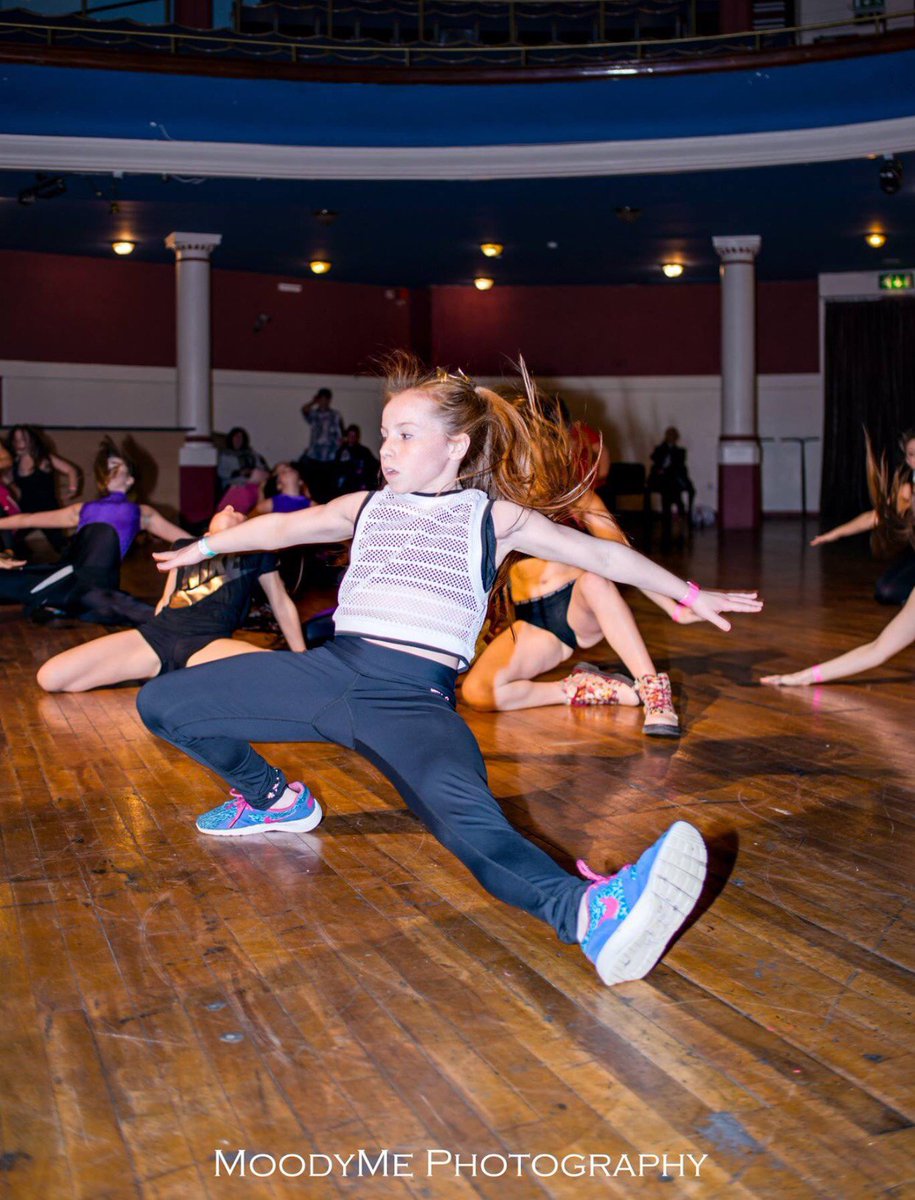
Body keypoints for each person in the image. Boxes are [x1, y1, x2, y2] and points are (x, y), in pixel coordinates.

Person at [138, 357, 762, 988]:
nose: (387, 449)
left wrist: (688, 595)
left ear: (457, 445)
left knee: (474, 828)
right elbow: (285, 525)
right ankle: (270, 798)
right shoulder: (366, 505)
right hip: (332, 671)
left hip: (414, 702)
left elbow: (601, 553)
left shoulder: (492, 519)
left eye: (406, 435)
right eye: (384, 435)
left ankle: (588, 914)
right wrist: (206, 546)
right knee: (163, 702)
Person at [462, 490, 683, 737]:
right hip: (532, 619)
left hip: (579, 602)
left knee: (594, 581)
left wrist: (673, 606)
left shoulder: (574, 496)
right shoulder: (491, 496)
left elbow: (624, 557)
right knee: (477, 691)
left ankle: (653, 689)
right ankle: (578, 689)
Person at [36, 506, 303, 692]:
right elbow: (165, 601)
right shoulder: (184, 546)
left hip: (208, 643)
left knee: (287, 676)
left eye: (237, 512)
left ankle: (185, 682)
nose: (230, 507)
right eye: (226, 508)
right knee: (50, 677)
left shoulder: (255, 553)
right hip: (159, 636)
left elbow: (281, 604)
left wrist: (302, 657)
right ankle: (165, 677)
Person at [762, 431, 915, 688]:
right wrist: (803, 677)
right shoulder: (907, 494)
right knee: (882, 638)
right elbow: (877, 651)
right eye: (912, 454)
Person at [0, 439, 187, 622]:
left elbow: (190, 542)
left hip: (98, 588)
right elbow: (28, 519)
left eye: (115, 464)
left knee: (156, 617)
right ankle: (54, 604)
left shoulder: (143, 513)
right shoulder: (82, 509)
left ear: (130, 479)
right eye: (106, 466)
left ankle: (56, 606)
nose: (109, 469)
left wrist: (214, 541)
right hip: (66, 579)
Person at [810, 428, 915, 606]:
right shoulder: (907, 491)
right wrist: (835, 533)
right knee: (886, 591)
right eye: (912, 454)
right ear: (907, 459)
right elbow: (875, 517)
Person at [5, 425, 80, 553]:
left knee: (60, 545)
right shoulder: (15, 462)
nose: (19, 444)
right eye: (16, 440)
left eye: (23, 439)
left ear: (32, 441)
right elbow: (6, 481)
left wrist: (72, 488)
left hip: (49, 509)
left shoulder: (44, 459)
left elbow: (70, 469)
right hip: (26, 510)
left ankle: (77, 564)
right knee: (11, 538)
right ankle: (20, 563)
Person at [647, 426, 696, 542]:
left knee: (671, 485)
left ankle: (677, 510)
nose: (671, 438)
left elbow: (678, 466)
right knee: (668, 487)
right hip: (661, 480)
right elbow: (655, 459)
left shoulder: (680, 451)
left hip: (674, 479)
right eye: (669, 435)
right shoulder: (660, 449)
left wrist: (667, 470)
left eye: (674, 436)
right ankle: (675, 507)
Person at [299, 387, 345, 502]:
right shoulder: (314, 414)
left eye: (326, 399)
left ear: (329, 400)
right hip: (315, 456)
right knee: (315, 487)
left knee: (329, 490)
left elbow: (341, 434)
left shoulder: (335, 415)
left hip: (330, 457)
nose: (323, 401)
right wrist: (313, 401)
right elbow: (304, 409)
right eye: (321, 399)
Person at [217, 427, 268, 494]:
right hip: (233, 483)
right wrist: (239, 472)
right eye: (236, 437)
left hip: (252, 479)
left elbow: (260, 466)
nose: (238, 440)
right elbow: (221, 472)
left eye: (240, 438)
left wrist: (251, 471)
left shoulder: (251, 453)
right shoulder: (225, 455)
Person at [334, 425, 381, 496]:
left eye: (354, 435)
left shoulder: (364, 451)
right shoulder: (341, 451)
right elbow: (336, 469)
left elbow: (374, 465)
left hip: (359, 487)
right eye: (350, 435)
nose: (352, 438)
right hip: (344, 487)